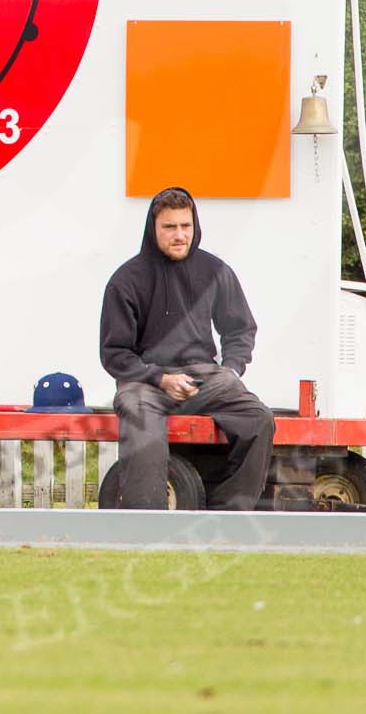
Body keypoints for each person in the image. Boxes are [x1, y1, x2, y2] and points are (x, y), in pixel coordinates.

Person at [99, 186, 275, 509]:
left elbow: (240, 329)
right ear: (153, 230)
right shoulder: (126, 280)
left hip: (205, 381)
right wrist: (161, 379)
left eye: (186, 226)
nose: (179, 235)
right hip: (146, 386)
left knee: (259, 418)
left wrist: (232, 369)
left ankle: (228, 515)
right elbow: (115, 354)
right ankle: (145, 522)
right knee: (138, 416)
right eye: (169, 227)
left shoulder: (215, 271)